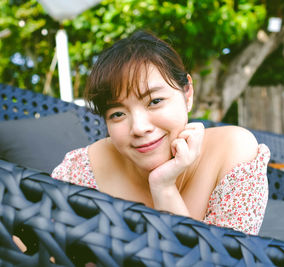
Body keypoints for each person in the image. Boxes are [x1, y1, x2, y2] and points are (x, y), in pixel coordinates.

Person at [51, 30, 270, 235]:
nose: (138, 127)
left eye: (155, 101)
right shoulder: (83, 169)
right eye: (118, 114)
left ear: (187, 94)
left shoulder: (232, 153)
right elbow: (31, 249)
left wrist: (164, 187)